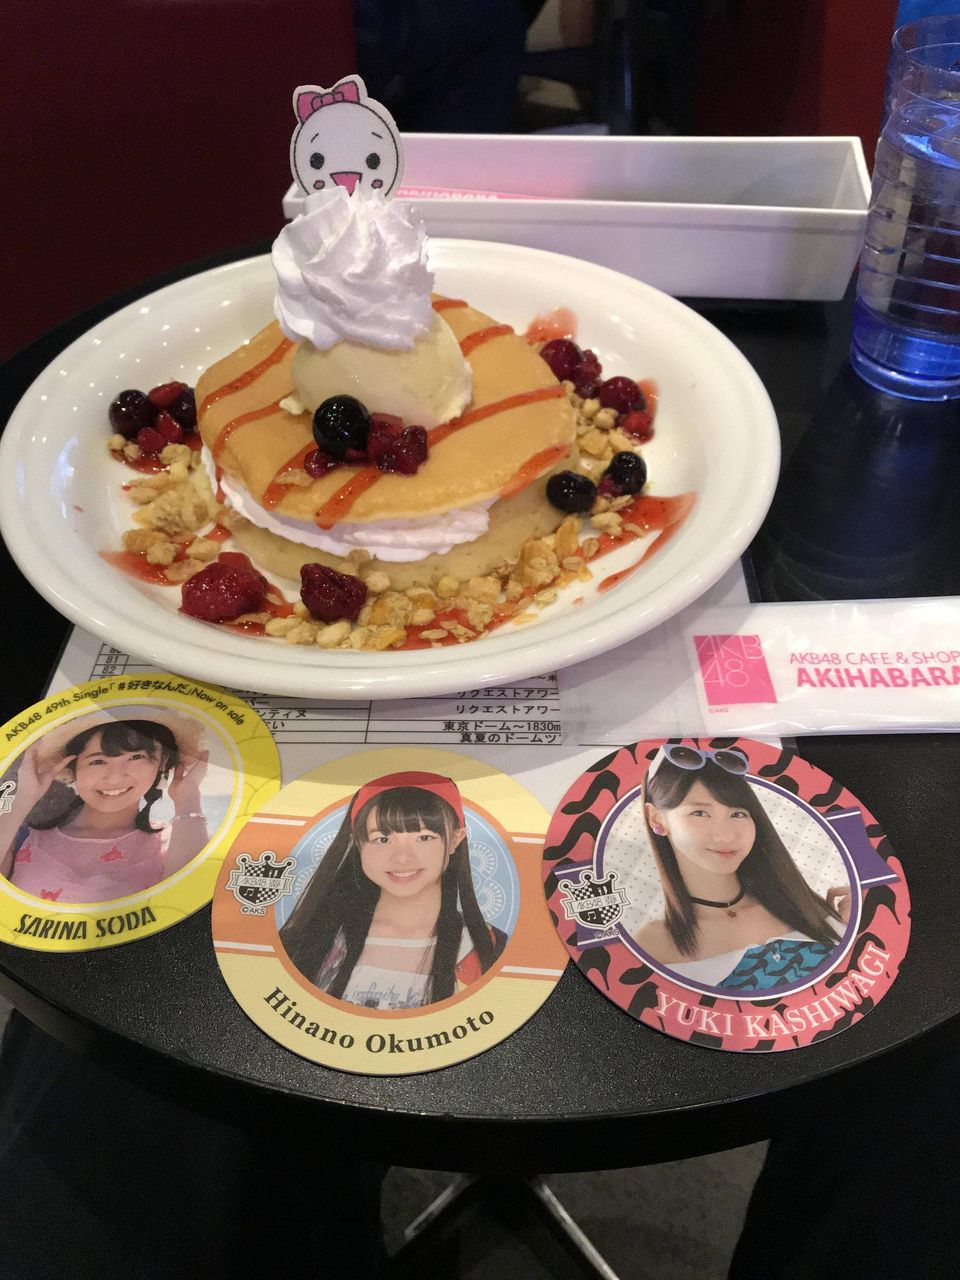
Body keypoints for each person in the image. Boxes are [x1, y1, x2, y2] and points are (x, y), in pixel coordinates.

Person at [280, 770, 506, 1009]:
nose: (402, 858)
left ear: (455, 839)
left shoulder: (486, 947)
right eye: (382, 839)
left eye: (424, 837)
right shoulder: (309, 941)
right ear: (358, 843)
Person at [633, 744, 849, 991]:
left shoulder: (801, 904)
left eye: (737, 814)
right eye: (700, 813)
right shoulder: (652, 943)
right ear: (657, 818)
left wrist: (859, 923)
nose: (726, 836)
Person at [0, 711, 209, 903]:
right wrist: (22, 799)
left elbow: (189, 903)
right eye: (97, 761)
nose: (115, 777)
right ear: (72, 766)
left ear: (162, 762)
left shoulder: (177, 841)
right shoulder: (21, 839)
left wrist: (188, 798)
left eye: (136, 757)